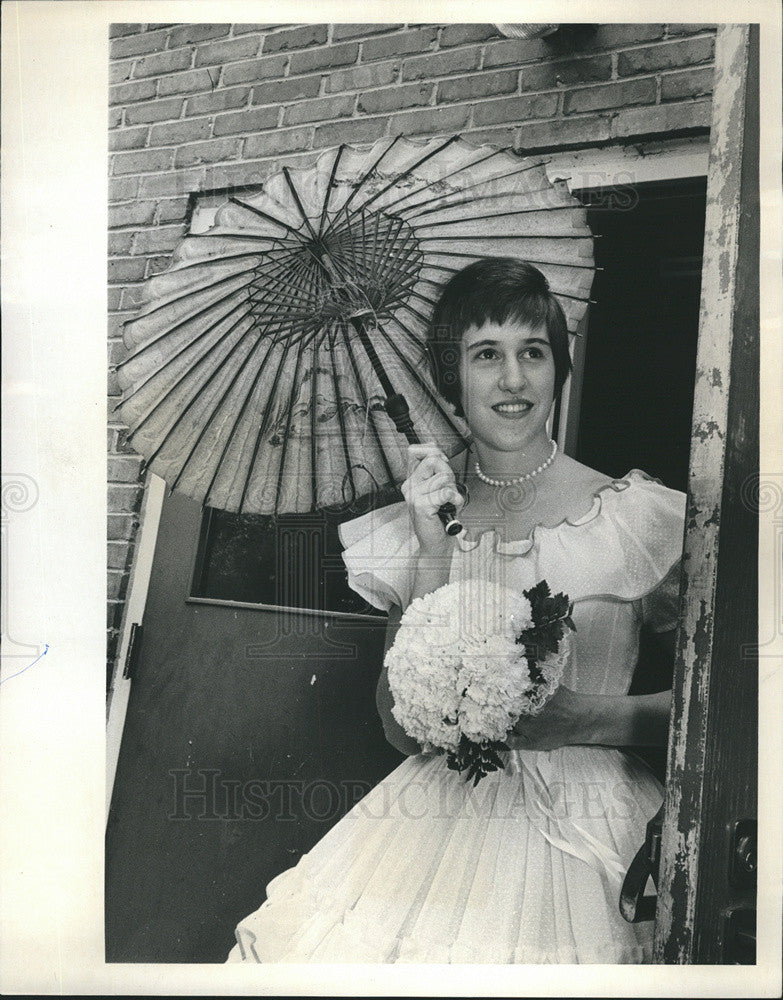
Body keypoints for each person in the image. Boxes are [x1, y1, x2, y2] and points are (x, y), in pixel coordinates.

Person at [226, 257, 685, 964]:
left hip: (593, 831)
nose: (512, 380)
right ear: (451, 378)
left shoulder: (637, 518)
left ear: (557, 368)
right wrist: (431, 550)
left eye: (531, 352)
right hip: (433, 825)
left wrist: (587, 718)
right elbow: (399, 731)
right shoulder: (420, 521)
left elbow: (729, 707)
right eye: (484, 355)